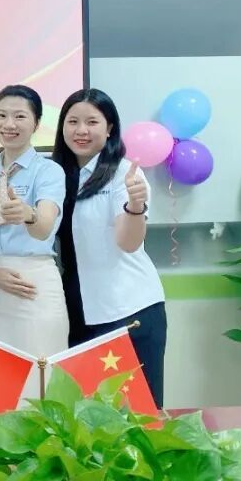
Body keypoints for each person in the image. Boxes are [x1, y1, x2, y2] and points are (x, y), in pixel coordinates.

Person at [52, 88, 167, 406]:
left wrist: (135, 206)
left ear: (110, 128)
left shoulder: (123, 175)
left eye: (92, 122)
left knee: (138, 414)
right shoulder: (57, 175)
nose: (81, 130)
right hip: (77, 311)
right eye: (72, 121)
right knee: (87, 417)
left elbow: (129, 242)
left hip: (128, 310)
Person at [0, 85, 67, 398]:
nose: (9, 124)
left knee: (44, 377)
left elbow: (44, 228)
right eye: (2, 115)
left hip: (36, 283)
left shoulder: (49, 171)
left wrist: (29, 214)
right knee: (3, 380)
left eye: (20, 116)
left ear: (36, 123)